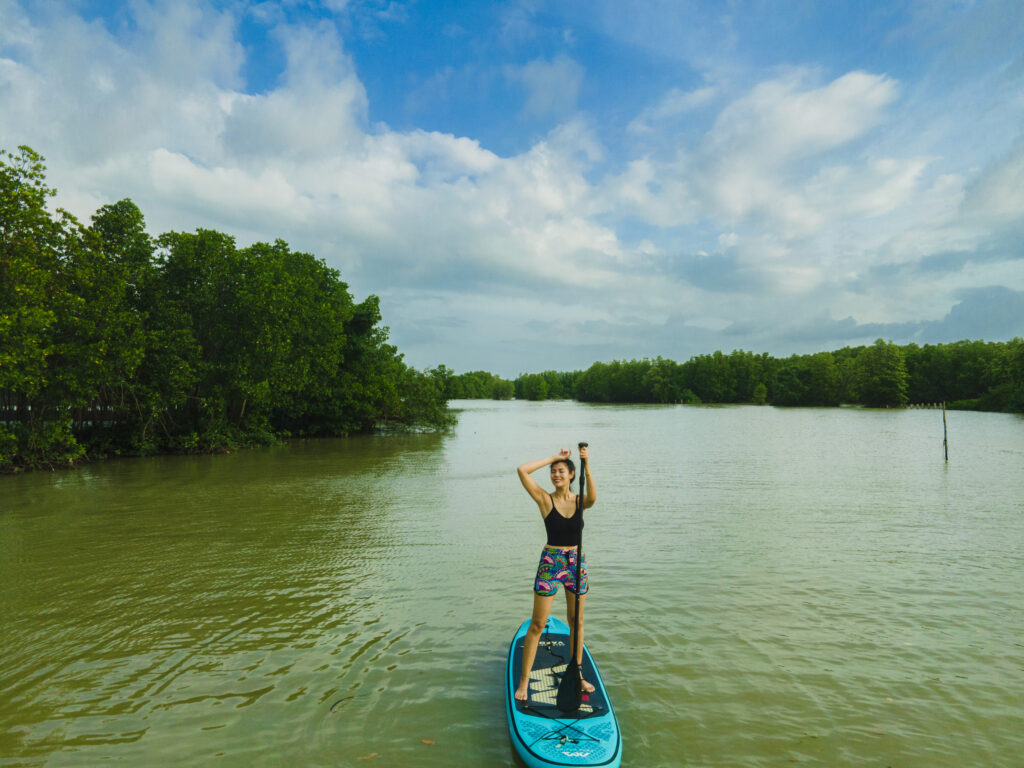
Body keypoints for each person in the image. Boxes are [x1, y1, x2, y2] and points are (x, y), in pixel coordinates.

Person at [514, 445, 597, 702]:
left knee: (576, 621)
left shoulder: (580, 500)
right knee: (538, 624)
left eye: (561, 471)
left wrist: (586, 464)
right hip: (551, 563)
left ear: (572, 475)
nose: (556, 475)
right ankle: (524, 681)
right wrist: (553, 458)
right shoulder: (544, 499)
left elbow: (593, 498)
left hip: (576, 563)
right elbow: (522, 470)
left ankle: (577, 675)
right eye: (553, 472)